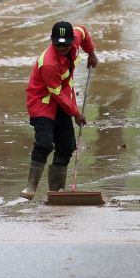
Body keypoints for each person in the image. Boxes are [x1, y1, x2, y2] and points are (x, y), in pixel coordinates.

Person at [20, 20, 99, 200]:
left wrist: (91, 53)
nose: (62, 48)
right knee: (45, 143)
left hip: (62, 102)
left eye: (66, 45)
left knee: (67, 145)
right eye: (58, 45)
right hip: (42, 103)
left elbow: (83, 31)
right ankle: (30, 187)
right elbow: (56, 94)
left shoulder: (75, 39)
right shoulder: (49, 63)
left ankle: (56, 192)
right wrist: (76, 113)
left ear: (72, 40)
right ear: (52, 41)